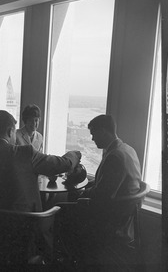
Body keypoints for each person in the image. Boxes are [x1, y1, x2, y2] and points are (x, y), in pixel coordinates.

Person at [0, 110, 81, 263]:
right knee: (61, 214)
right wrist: (74, 154)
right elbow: (61, 164)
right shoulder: (24, 153)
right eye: (14, 131)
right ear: (10, 131)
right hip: (22, 226)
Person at [57, 114, 142, 266]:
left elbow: (102, 196)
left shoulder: (114, 157)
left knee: (59, 211)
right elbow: (107, 184)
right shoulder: (128, 150)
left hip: (108, 220)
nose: (92, 139)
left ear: (103, 131)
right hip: (123, 216)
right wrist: (89, 187)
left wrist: (82, 193)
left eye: (93, 134)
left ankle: (76, 260)